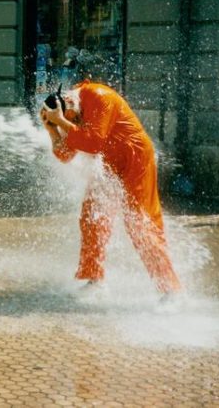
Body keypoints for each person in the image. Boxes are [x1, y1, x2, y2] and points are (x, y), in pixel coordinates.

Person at [40, 80, 181, 296]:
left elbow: (93, 143)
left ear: (68, 101)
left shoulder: (99, 96)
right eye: (70, 122)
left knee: (139, 222)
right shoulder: (72, 111)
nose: (73, 124)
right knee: (92, 217)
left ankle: (171, 291)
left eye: (72, 120)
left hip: (136, 157)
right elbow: (65, 155)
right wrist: (52, 129)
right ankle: (94, 280)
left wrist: (61, 121)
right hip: (109, 162)